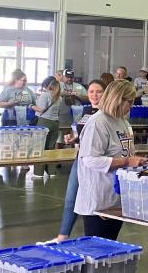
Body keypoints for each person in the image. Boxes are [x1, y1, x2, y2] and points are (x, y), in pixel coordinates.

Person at [74, 79, 144, 239]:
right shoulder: (98, 122)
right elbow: (89, 160)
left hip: (115, 198)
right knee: (98, 255)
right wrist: (126, 162)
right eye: (130, 101)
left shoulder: (123, 122)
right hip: (98, 200)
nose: (131, 106)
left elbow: (124, 152)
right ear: (118, 99)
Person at [39, 80, 105, 245]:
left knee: (96, 203)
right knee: (71, 199)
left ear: (105, 93)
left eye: (98, 91)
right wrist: (74, 138)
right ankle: (62, 236)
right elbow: (84, 133)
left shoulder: (107, 113)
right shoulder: (87, 110)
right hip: (80, 160)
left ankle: (97, 241)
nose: (94, 95)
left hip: (96, 163)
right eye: (91, 91)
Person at [31, 77, 62, 179]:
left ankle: (38, 173)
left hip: (44, 122)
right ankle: (51, 171)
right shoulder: (59, 97)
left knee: (40, 147)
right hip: (55, 123)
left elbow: (40, 110)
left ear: (48, 86)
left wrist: (31, 105)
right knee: (51, 148)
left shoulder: (45, 95)